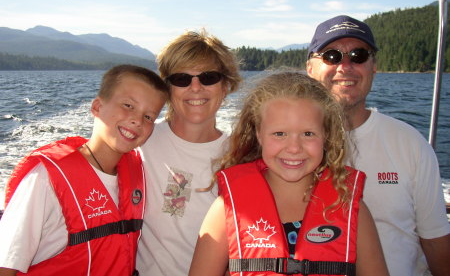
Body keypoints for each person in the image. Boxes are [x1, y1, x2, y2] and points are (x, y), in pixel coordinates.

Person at [189, 72, 389, 276]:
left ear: (326, 135)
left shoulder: (350, 208)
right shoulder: (227, 210)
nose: (294, 148)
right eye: (279, 134)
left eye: (308, 134)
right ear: (259, 133)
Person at [306, 15, 450, 276]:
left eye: (359, 55)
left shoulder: (410, 144)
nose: (345, 66)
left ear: (373, 66)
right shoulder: (284, 149)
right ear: (310, 69)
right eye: (331, 56)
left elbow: (435, 240)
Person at [0, 64, 168, 276]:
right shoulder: (47, 178)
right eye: (128, 105)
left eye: (149, 117)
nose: (137, 120)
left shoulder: (138, 173)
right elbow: (6, 264)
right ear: (97, 107)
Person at [136, 30, 242, 276]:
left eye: (209, 77)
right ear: (168, 88)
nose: (196, 87)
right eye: (182, 79)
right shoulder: (140, 143)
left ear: (225, 86)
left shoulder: (239, 157)